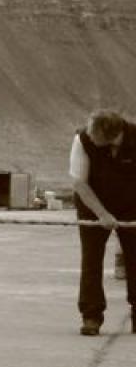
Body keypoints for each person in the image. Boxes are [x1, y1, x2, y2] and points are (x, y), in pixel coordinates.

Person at [69, 110, 136, 336]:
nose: (88, 135)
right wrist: (102, 214)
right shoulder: (83, 140)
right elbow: (79, 183)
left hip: (132, 204)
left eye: (93, 133)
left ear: (111, 135)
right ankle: (91, 316)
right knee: (91, 260)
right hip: (92, 202)